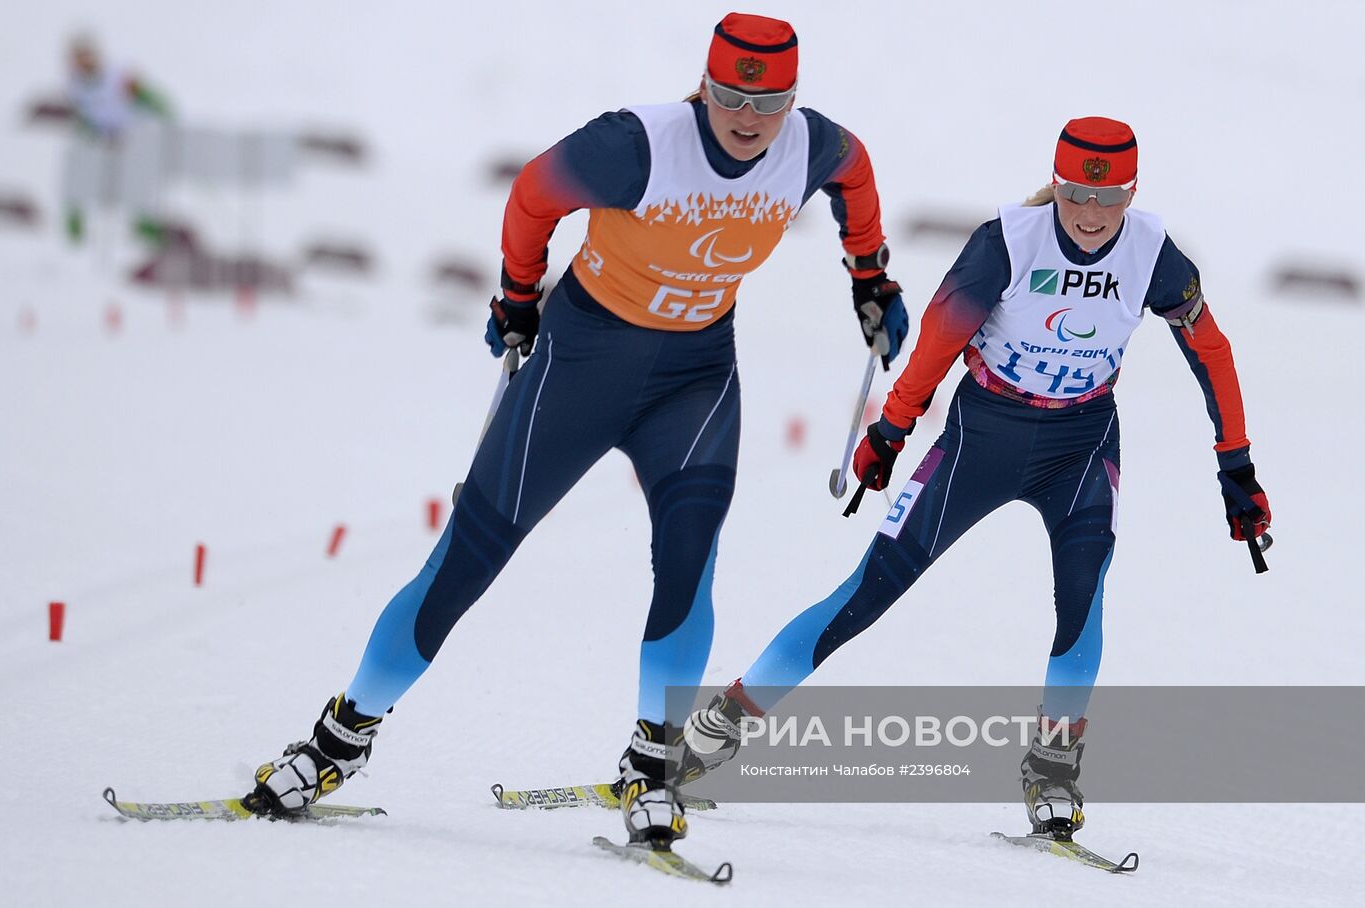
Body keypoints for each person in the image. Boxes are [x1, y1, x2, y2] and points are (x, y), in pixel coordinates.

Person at [247, 12, 909, 850]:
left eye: (770, 100)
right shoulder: (636, 145)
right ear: (704, 86)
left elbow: (858, 175)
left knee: (688, 563)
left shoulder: (812, 146)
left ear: (792, 99)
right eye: (733, 95)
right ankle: (340, 737)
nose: (749, 117)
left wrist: (871, 276)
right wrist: (517, 297)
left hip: (696, 379)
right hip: (580, 365)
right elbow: (533, 193)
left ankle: (653, 761)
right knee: (470, 558)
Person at [682, 116, 1273, 839]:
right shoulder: (1007, 241)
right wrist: (892, 428)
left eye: (1110, 199)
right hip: (981, 439)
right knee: (868, 592)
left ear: (1131, 193)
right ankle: (715, 729)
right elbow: (940, 335)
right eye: (1075, 197)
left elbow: (1211, 350)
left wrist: (1235, 463)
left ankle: (1053, 772)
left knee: (1082, 601)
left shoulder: (1154, 253)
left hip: (1081, 446)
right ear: (1055, 185)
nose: (1091, 216)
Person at [62, 33, 170, 244]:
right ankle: (75, 228)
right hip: (103, 139)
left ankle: (145, 225)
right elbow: (85, 116)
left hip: (132, 135)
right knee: (79, 173)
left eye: (86, 56)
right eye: (78, 58)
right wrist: (90, 134)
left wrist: (162, 114)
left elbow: (152, 99)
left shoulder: (117, 76)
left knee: (136, 180)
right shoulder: (75, 85)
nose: (83, 62)